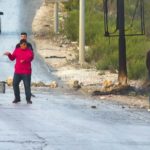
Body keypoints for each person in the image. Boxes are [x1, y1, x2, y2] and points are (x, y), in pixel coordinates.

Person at [4, 39, 34, 104]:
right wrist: (9, 54)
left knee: (27, 86)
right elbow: (12, 58)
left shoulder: (29, 51)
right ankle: (17, 98)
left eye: (25, 45)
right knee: (15, 84)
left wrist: (24, 60)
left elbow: (31, 58)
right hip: (17, 72)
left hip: (26, 72)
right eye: (23, 45)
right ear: (20, 45)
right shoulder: (17, 50)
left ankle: (28, 99)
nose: (25, 46)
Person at [16, 32, 35, 97]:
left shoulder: (29, 45)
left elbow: (31, 55)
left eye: (24, 36)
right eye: (22, 36)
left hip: (27, 67)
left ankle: (28, 94)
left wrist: (25, 59)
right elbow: (16, 54)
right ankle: (17, 96)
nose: (23, 37)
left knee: (27, 83)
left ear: (26, 37)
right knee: (15, 83)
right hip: (19, 67)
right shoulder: (18, 45)